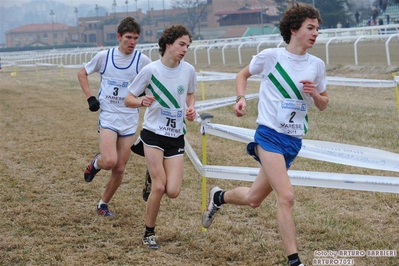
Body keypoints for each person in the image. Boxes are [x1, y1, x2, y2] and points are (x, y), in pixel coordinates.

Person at [202, 3, 329, 266]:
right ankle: (294, 260)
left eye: (317, 28)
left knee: (253, 199)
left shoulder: (317, 65)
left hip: (293, 142)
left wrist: (316, 94)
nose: (316, 33)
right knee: (287, 196)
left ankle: (218, 197)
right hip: (269, 136)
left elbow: (324, 103)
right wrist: (240, 98)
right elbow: (242, 74)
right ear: (294, 29)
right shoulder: (271, 57)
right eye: (310, 28)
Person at [125, 24, 197, 250]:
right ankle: (149, 232)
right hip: (153, 133)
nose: (185, 49)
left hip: (176, 135)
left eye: (187, 45)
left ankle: (150, 173)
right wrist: (141, 101)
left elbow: (191, 94)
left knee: (173, 191)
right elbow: (128, 98)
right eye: (181, 44)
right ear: (168, 44)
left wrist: (191, 109)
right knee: (159, 186)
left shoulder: (188, 71)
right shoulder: (151, 70)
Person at [78, 17, 151, 216]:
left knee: (119, 169)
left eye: (136, 38)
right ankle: (96, 164)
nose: (132, 42)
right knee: (109, 161)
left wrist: (145, 94)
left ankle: (103, 204)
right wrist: (90, 98)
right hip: (109, 116)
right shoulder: (105, 57)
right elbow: (82, 73)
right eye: (128, 37)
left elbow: (155, 83)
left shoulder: (142, 61)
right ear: (118, 36)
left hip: (129, 119)